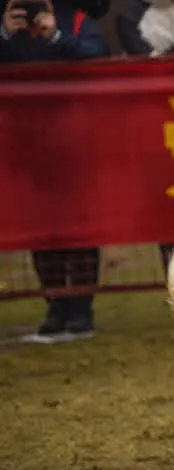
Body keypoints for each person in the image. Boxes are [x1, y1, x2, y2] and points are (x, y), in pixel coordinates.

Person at [1, 0, 109, 341]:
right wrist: (4, 34)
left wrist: (56, 36)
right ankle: (55, 305)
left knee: (80, 228)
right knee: (41, 230)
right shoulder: (5, 23)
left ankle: (81, 308)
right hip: (24, 143)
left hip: (75, 141)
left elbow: (97, 54)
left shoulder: (75, 20)